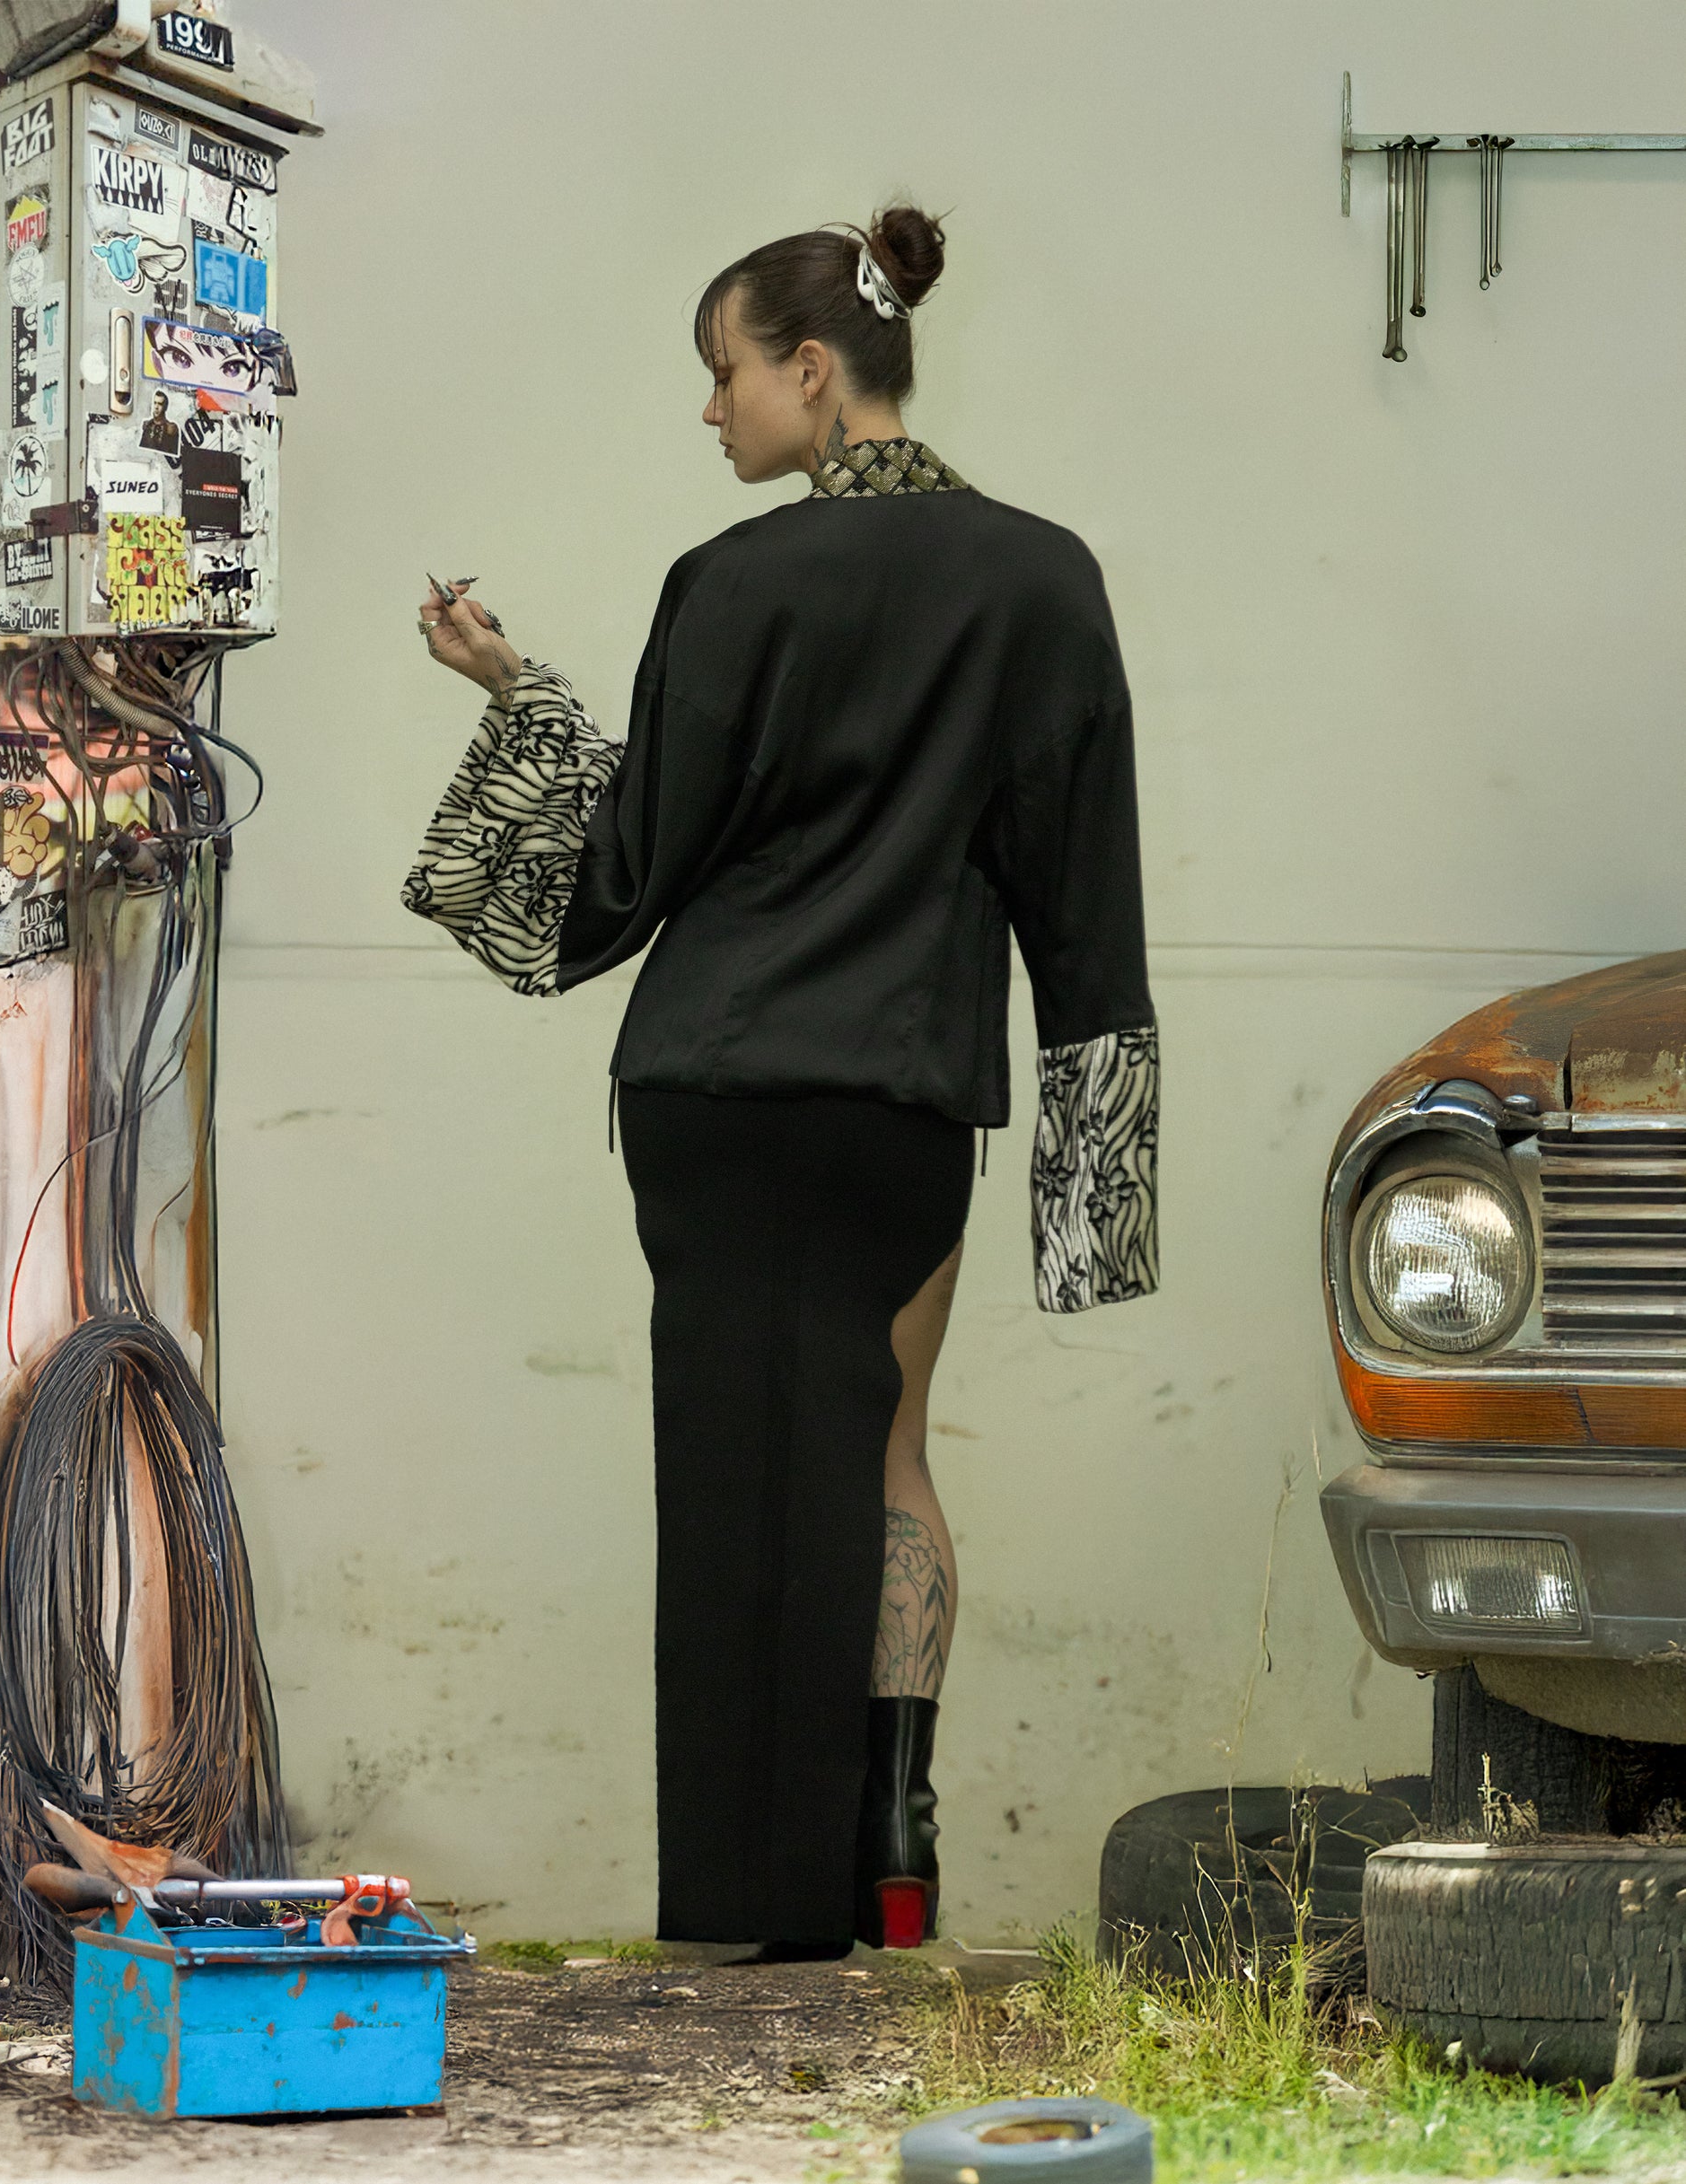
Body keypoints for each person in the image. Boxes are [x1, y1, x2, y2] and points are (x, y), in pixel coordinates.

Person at [405, 205, 1157, 1960]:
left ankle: (729, 1913)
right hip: (895, 1100)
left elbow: (611, 886)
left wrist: (519, 696)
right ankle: (885, 1853)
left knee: (721, 1484)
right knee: (881, 1452)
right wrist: (1089, 1198)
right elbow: (1083, 892)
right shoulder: (1043, 577)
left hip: (710, 1095)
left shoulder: (730, 581)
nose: (711, 412)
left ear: (811, 370)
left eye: (722, 370)